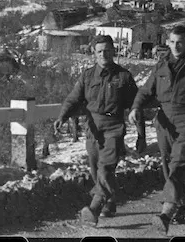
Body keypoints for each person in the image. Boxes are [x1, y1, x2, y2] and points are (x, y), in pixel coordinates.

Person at [129, 25, 185, 235]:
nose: (176, 46)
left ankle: (166, 213)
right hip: (164, 121)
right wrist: (135, 107)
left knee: (177, 165)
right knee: (168, 166)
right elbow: (146, 90)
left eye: (180, 42)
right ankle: (181, 206)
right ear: (167, 42)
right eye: (172, 41)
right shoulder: (161, 66)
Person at [54, 34, 139, 226]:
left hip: (114, 127)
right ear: (94, 53)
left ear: (113, 51)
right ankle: (109, 201)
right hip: (92, 128)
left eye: (107, 50)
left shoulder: (124, 76)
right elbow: (73, 98)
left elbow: (136, 103)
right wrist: (63, 116)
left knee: (106, 168)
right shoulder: (87, 75)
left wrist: (140, 130)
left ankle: (94, 207)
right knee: (95, 169)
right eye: (99, 51)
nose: (104, 54)